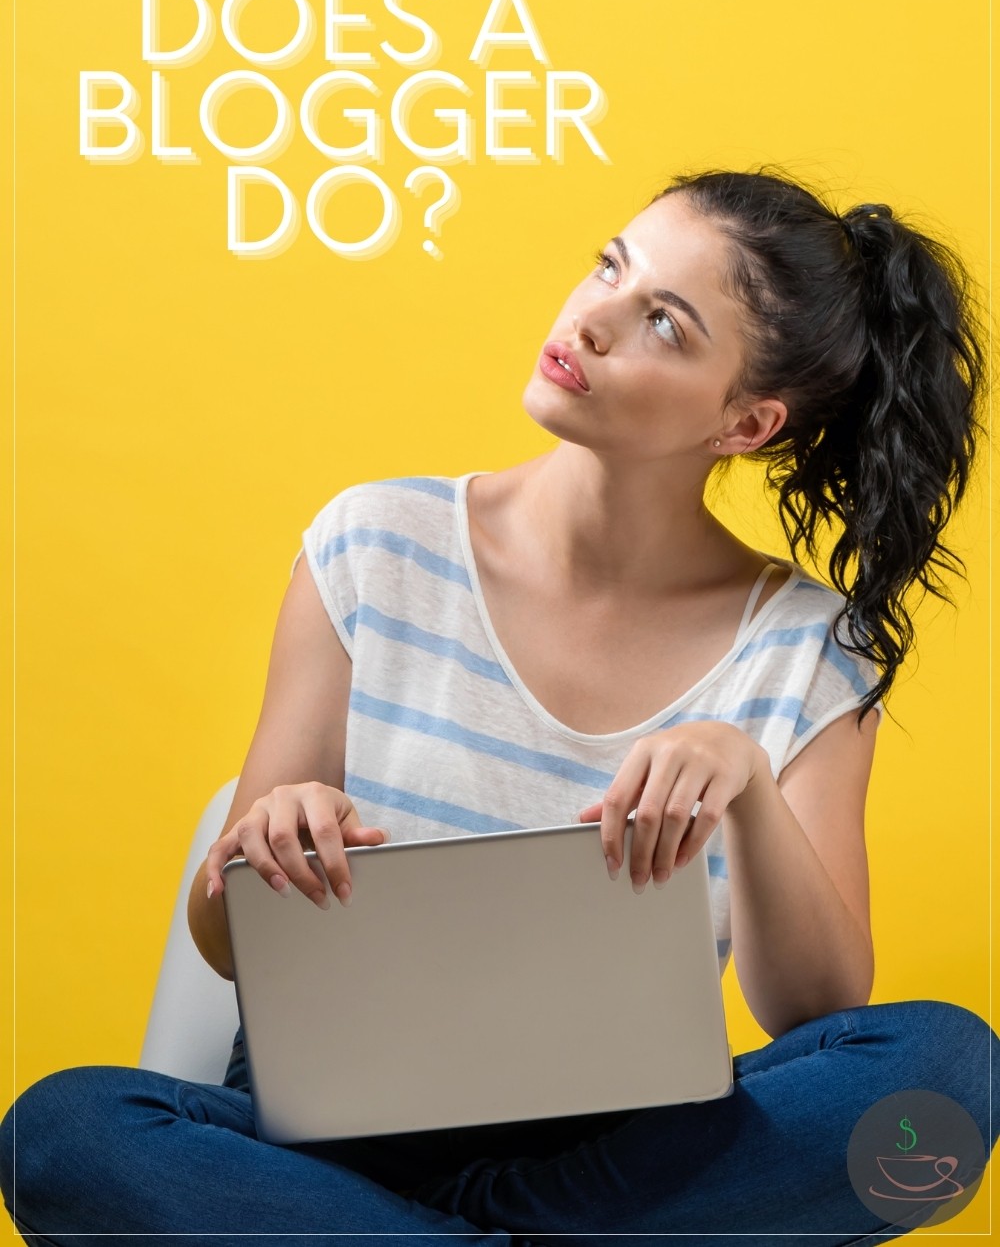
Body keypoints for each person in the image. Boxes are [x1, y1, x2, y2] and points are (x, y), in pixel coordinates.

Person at [2, 164, 998, 1247]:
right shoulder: (373, 546)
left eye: (663, 322)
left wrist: (748, 790)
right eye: (609, 266)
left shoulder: (806, 648)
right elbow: (226, 940)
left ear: (745, 423)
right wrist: (263, 847)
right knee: (57, 1134)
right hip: (325, 1149)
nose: (593, 316)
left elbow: (818, 1013)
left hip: (614, 1163)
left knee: (944, 1081)